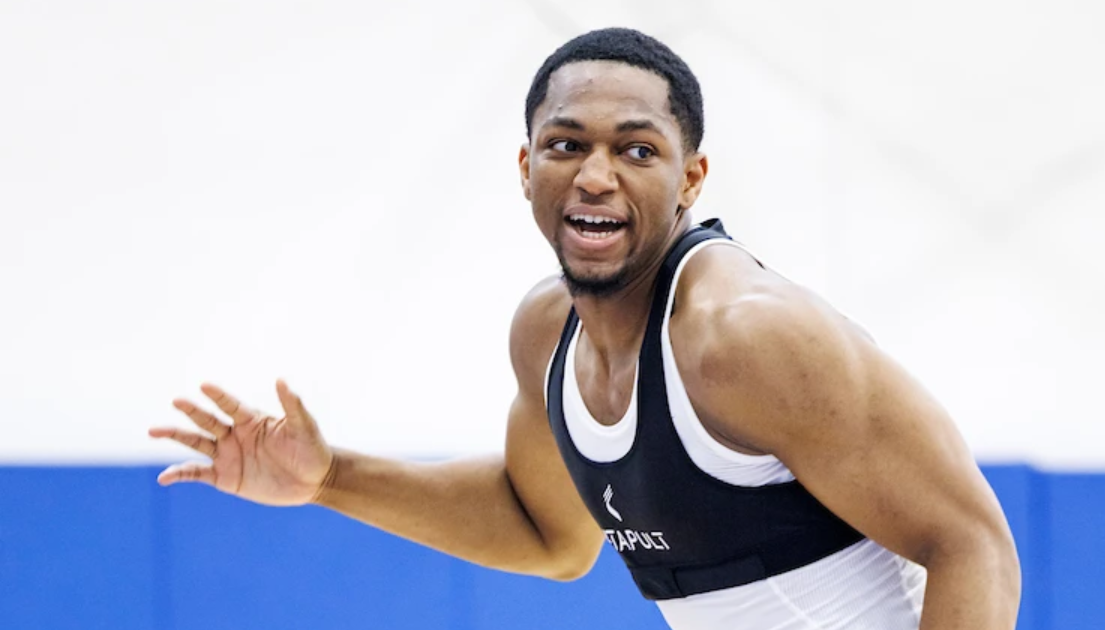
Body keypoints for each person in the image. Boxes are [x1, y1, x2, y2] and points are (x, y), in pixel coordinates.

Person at [149, 27, 1021, 630]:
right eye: (567, 145)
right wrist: (333, 478)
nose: (596, 176)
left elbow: (973, 543)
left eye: (637, 150)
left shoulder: (745, 340)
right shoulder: (546, 336)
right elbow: (548, 534)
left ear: (691, 179)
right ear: (526, 166)